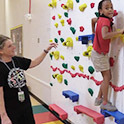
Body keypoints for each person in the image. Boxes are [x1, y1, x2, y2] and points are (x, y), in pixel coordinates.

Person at [0, 34, 57, 124]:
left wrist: (46, 50)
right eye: (9, 46)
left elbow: (34, 62)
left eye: (12, 44)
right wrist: (3, 116)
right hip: (10, 108)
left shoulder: (16, 60)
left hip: (25, 104)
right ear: (1, 51)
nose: (14, 47)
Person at [91, 0, 124, 111]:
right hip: (99, 55)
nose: (110, 10)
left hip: (99, 53)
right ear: (100, 11)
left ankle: (99, 98)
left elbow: (93, 20)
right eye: (107, 8)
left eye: (111, 7)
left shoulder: (101, 18)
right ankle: (104, 102)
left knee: (106, 77)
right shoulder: (105, 21)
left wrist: (94, 33)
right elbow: (105, 36)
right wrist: (120, 32)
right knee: (107, 77)